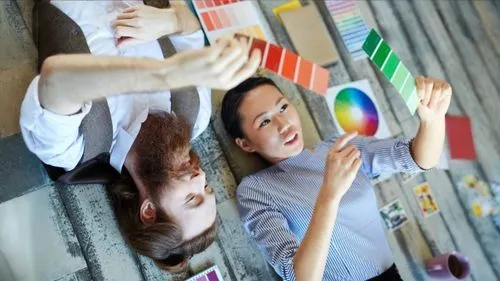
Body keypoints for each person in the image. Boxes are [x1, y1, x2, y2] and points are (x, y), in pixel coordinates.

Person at [20, 0, 261, 272]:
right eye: (207, 189)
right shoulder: (196, 114)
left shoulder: (73, 150)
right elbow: (191, 30)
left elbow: (55, 78)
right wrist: (172, 21)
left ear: (148, 211)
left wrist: (166, 74)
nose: (201, 178)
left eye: (191, 198)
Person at [221, 76, 452, 280]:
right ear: (245, 144)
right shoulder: (255, 190)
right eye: (265, 121)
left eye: (282, 107)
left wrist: (433, 119)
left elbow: (417, 159)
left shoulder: (338, 148)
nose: (284, 125)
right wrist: (329, 195)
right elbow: (299, 277)